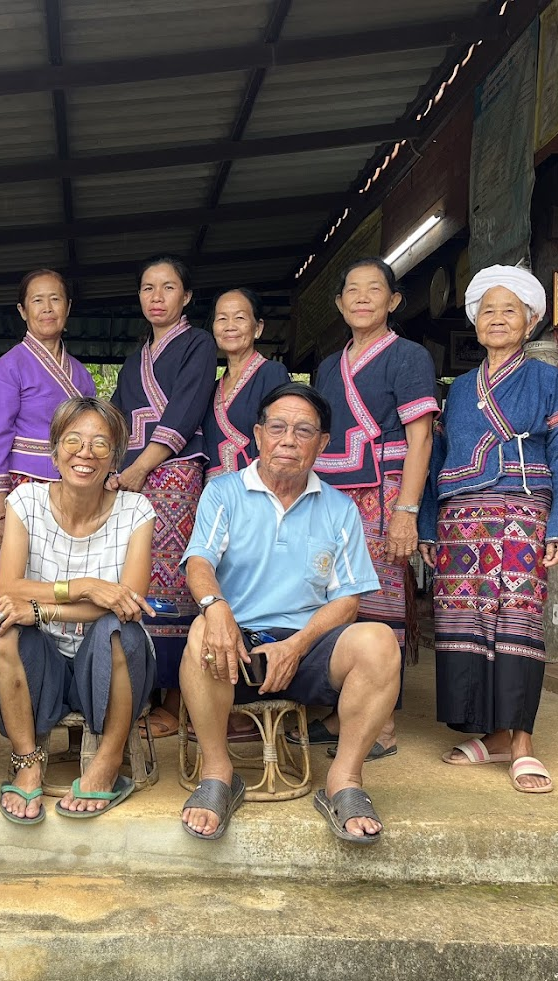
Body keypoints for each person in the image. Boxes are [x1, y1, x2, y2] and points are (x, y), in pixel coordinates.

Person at [178, 383, 399, 844]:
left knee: (377, 640)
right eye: (277, 428)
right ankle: (218, 775)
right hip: (236, 645)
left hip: (307, 644)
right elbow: (199, 562)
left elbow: (347, 600)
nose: (288, 440)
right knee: (203, 630)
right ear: (257, 435)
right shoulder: (224, 493)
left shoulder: (339, 509)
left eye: (303, 431)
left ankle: (345, 781)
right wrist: (216, 608)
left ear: (321, 444)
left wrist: (297, 646)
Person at [417, 265, 558, 795]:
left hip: (520, 512)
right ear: (475, 322)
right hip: (460, 518)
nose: (497, 319)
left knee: (516, 622)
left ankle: (523, 742)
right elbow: (436, 455)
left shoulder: (546, 379)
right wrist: (425, 524)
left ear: (530, 322)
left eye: (510, 310)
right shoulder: (459, 389)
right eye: (488, 310)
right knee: (464, 622)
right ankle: (492, 734)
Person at [0, 397, 156, 823]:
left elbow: (128, 605)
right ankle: (27, 764)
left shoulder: (136, 511)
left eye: (101, 444)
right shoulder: (25, 502)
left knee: (122, 630)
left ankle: (108, 762)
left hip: (105, 658)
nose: (85, 453)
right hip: (43, 661)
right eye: (73, 440)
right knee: (3, 625)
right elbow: (10, 588)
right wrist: (86, 588)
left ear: (115, 456)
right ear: (54, 448)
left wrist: (42, 611)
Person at [304, 258, 438, 760]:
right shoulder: (326, 366)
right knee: (333, 597)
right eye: (352, 290)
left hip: (384, 495)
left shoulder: (409, 356)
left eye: (374, 289)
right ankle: (343, 711)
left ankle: (381, 726)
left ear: (393, 301)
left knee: (379, 602)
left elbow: (420, 437)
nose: (362, 298)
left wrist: (408, 510)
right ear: (339, 304)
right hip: (333, 498)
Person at [112, 255, 214, 708]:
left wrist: (139, 468)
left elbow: (186, 410)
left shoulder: (199, 344)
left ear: (186, 296)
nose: (157, 297)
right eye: (148, 288)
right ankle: (141, 687)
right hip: (131, 480)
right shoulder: (135, 361)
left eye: (168, 287)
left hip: (173, 475)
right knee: (133, 575)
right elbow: (115, 418)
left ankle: (174, 695)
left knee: (172, 577)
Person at [0, 269, 95, 548]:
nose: (47, 308)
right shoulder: (8, 368)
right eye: (37, 301)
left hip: (74, 484)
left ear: (67, 307)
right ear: (22, 310)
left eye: (55, 299)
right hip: (24, 486)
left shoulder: (81, 375)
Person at [203, 288, 291, 480]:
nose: (230, 326)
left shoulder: (272, 373)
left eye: (240, 318)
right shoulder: (210, 388)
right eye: (222, 319)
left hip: (257, 489)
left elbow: (281, 436)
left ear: (258, 328)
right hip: (214, 496)